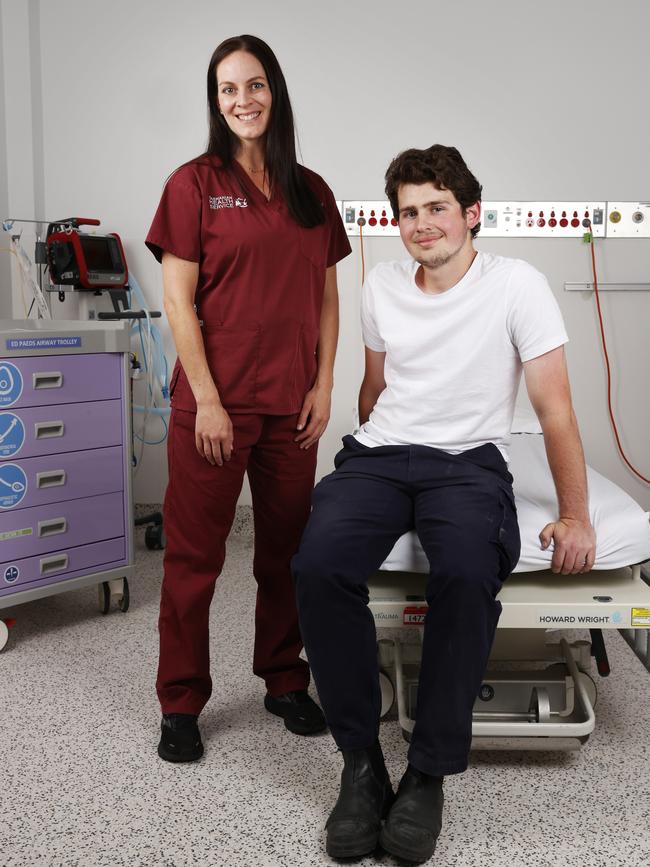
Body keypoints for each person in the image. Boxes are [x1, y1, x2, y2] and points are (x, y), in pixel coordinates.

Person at [292, 144, 597, 863]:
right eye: (408, 212)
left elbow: (554, 409)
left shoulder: (516, 284)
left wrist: (576, 512)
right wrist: (360, 456)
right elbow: (374, 389)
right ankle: (361, 765)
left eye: (436, 208)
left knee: (465, 569)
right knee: (316, 565)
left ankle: (427, 770)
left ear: (471, 213)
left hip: (467, 465)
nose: (422, 224)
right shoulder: (383, 287)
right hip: (381, 456)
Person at [145, 34, 351, 763]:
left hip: (291, 406)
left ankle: (284, 679)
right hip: (214, 406)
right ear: (215, 101)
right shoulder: (193, 183)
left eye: (255, 85)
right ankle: (180, 699)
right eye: (228, 89)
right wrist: (206, 398)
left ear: (276, 91)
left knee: (288, 553)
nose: (243, 100)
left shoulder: (311, 190)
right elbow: (177, 299)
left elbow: (327, 297)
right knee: (195, 558)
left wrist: (325, 383)